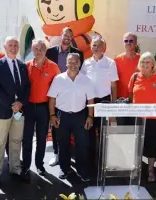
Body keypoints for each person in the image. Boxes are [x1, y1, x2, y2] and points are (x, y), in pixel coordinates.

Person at [0, 37, 31, 187]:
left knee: (15, 140)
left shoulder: (22, 66)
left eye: (15, 45)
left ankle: (15, 169)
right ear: (5, 47)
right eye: (10, 45)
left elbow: (27, 87)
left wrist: (21, 103)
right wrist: (11, 105)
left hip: (20, 110)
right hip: (2, 110)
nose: (13, 47)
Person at [47, 53, 95, 181]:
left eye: (76, 62)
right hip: (62, 116)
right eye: (70, 62)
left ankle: (82, 170)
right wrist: (52, 116)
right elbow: (52, 99)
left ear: (79, 63)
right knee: (63, 144)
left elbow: (91, 100)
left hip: (80, 116)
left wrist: (90, 117)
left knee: (82, 144)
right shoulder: (58, 79)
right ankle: (64, 169)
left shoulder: (86, 80)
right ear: (66, 63)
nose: (73, 65)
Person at [45, 27, 84, 167]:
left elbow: (81, 73)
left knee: (69, 128)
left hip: (71, 93)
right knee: (56, 126)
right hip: (54, 92)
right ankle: (56, 155)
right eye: (65, 34)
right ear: (61, 36)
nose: (67, 37)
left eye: (70, 35)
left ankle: (69, 157)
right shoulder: (50, 52)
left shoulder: (78, 53)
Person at [80, 36, 118, 174]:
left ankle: (104, 164)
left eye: (98, 46)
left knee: (104, 134)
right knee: (89, 133)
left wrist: (113, 108)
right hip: (90, 102)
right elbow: (82, 83)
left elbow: (114, 86)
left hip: (105, 101)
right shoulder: (85, 63)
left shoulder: (110, 63)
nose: (95, 48)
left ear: (104, 48)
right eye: (93, 45)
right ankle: (90, 165)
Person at [22, 39, 60, 176]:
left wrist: (53, 111)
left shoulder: (54, 67)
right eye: (36, 49)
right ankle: (25, 165)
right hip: (28, 107)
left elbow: (58, 90)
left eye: (41, 49)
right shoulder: (26, 66)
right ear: (32, 50)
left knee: (42, 137)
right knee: (26, 138)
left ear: (46, 50)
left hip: (44, 107)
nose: (38, 52)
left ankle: (39, 165)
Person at [128, 52, 156, 182]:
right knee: (136, 144)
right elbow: (130, 95)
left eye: (148, 62)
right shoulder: (134, 77)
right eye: (143, 62)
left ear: (153, 65)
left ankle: (150, 170)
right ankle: (135, 168)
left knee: (151, 145)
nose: (145, 64)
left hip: (153, 119)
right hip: (137, 117)